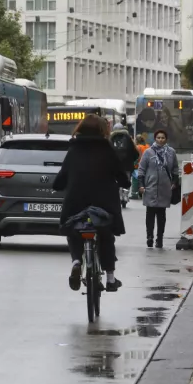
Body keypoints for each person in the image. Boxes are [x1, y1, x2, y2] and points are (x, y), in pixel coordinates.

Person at [54, 115, 130, 292]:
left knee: (73, 231)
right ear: (103, 130)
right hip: (103, 204)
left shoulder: (73, 150)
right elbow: (120, 175)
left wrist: (58, 185)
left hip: (76, 202)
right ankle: (110, 278)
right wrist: (124, 183)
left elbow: (62, 177)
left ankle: (77, 261)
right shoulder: (107, 150)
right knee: (106, 235)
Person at [138, 128, 179, 248]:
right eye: (158, 137)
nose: (160, 140)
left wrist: (174, 182)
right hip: (150, 187)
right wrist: (141, 184)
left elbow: (175, 169)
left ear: (166, 139)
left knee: (161, 216)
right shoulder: (148, 152)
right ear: (155, 139)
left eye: (163, 138)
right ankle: (149, 237)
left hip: (164, 188)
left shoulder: (171, 152)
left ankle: (159, 239)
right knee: (150, 215)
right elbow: (141, 169)